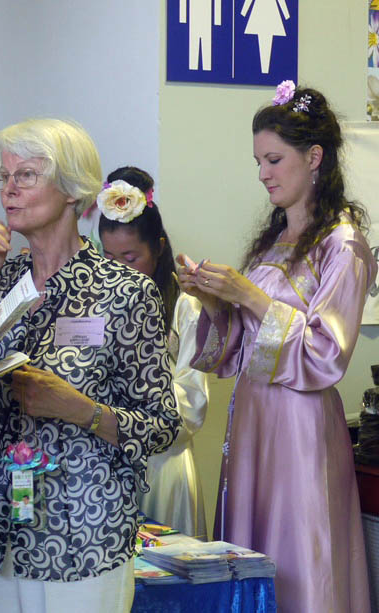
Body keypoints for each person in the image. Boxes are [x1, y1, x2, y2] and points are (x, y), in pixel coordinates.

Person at [0, 118, 181, 613]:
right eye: (4, 177)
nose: (8, 190)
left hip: (82, 537)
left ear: (73, 190)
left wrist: (78, 409)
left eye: (26, 176)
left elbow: (162, 426)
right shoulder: (1, 279)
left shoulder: (125, 292)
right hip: (0, 533)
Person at [177, 82, 373, 612]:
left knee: (299, 552)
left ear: (314, 158)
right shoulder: (273, 242)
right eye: (258, 161)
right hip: (253, 419)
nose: (263, 173)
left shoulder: (343, 244)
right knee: (253, 547)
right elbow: (240, 350)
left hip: (300, 428)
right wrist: (213, 300)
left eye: (273, 159)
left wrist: (247, 294)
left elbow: (327, 353)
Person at [97, 166, 209, 539]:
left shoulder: (184, 306)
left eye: (130, 259)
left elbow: (191, 406)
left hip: (164, 466)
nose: (119, 271)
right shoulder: (93, 306)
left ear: (158, 249)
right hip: (106, 465)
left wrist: (124, 405)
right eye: (109, 259)